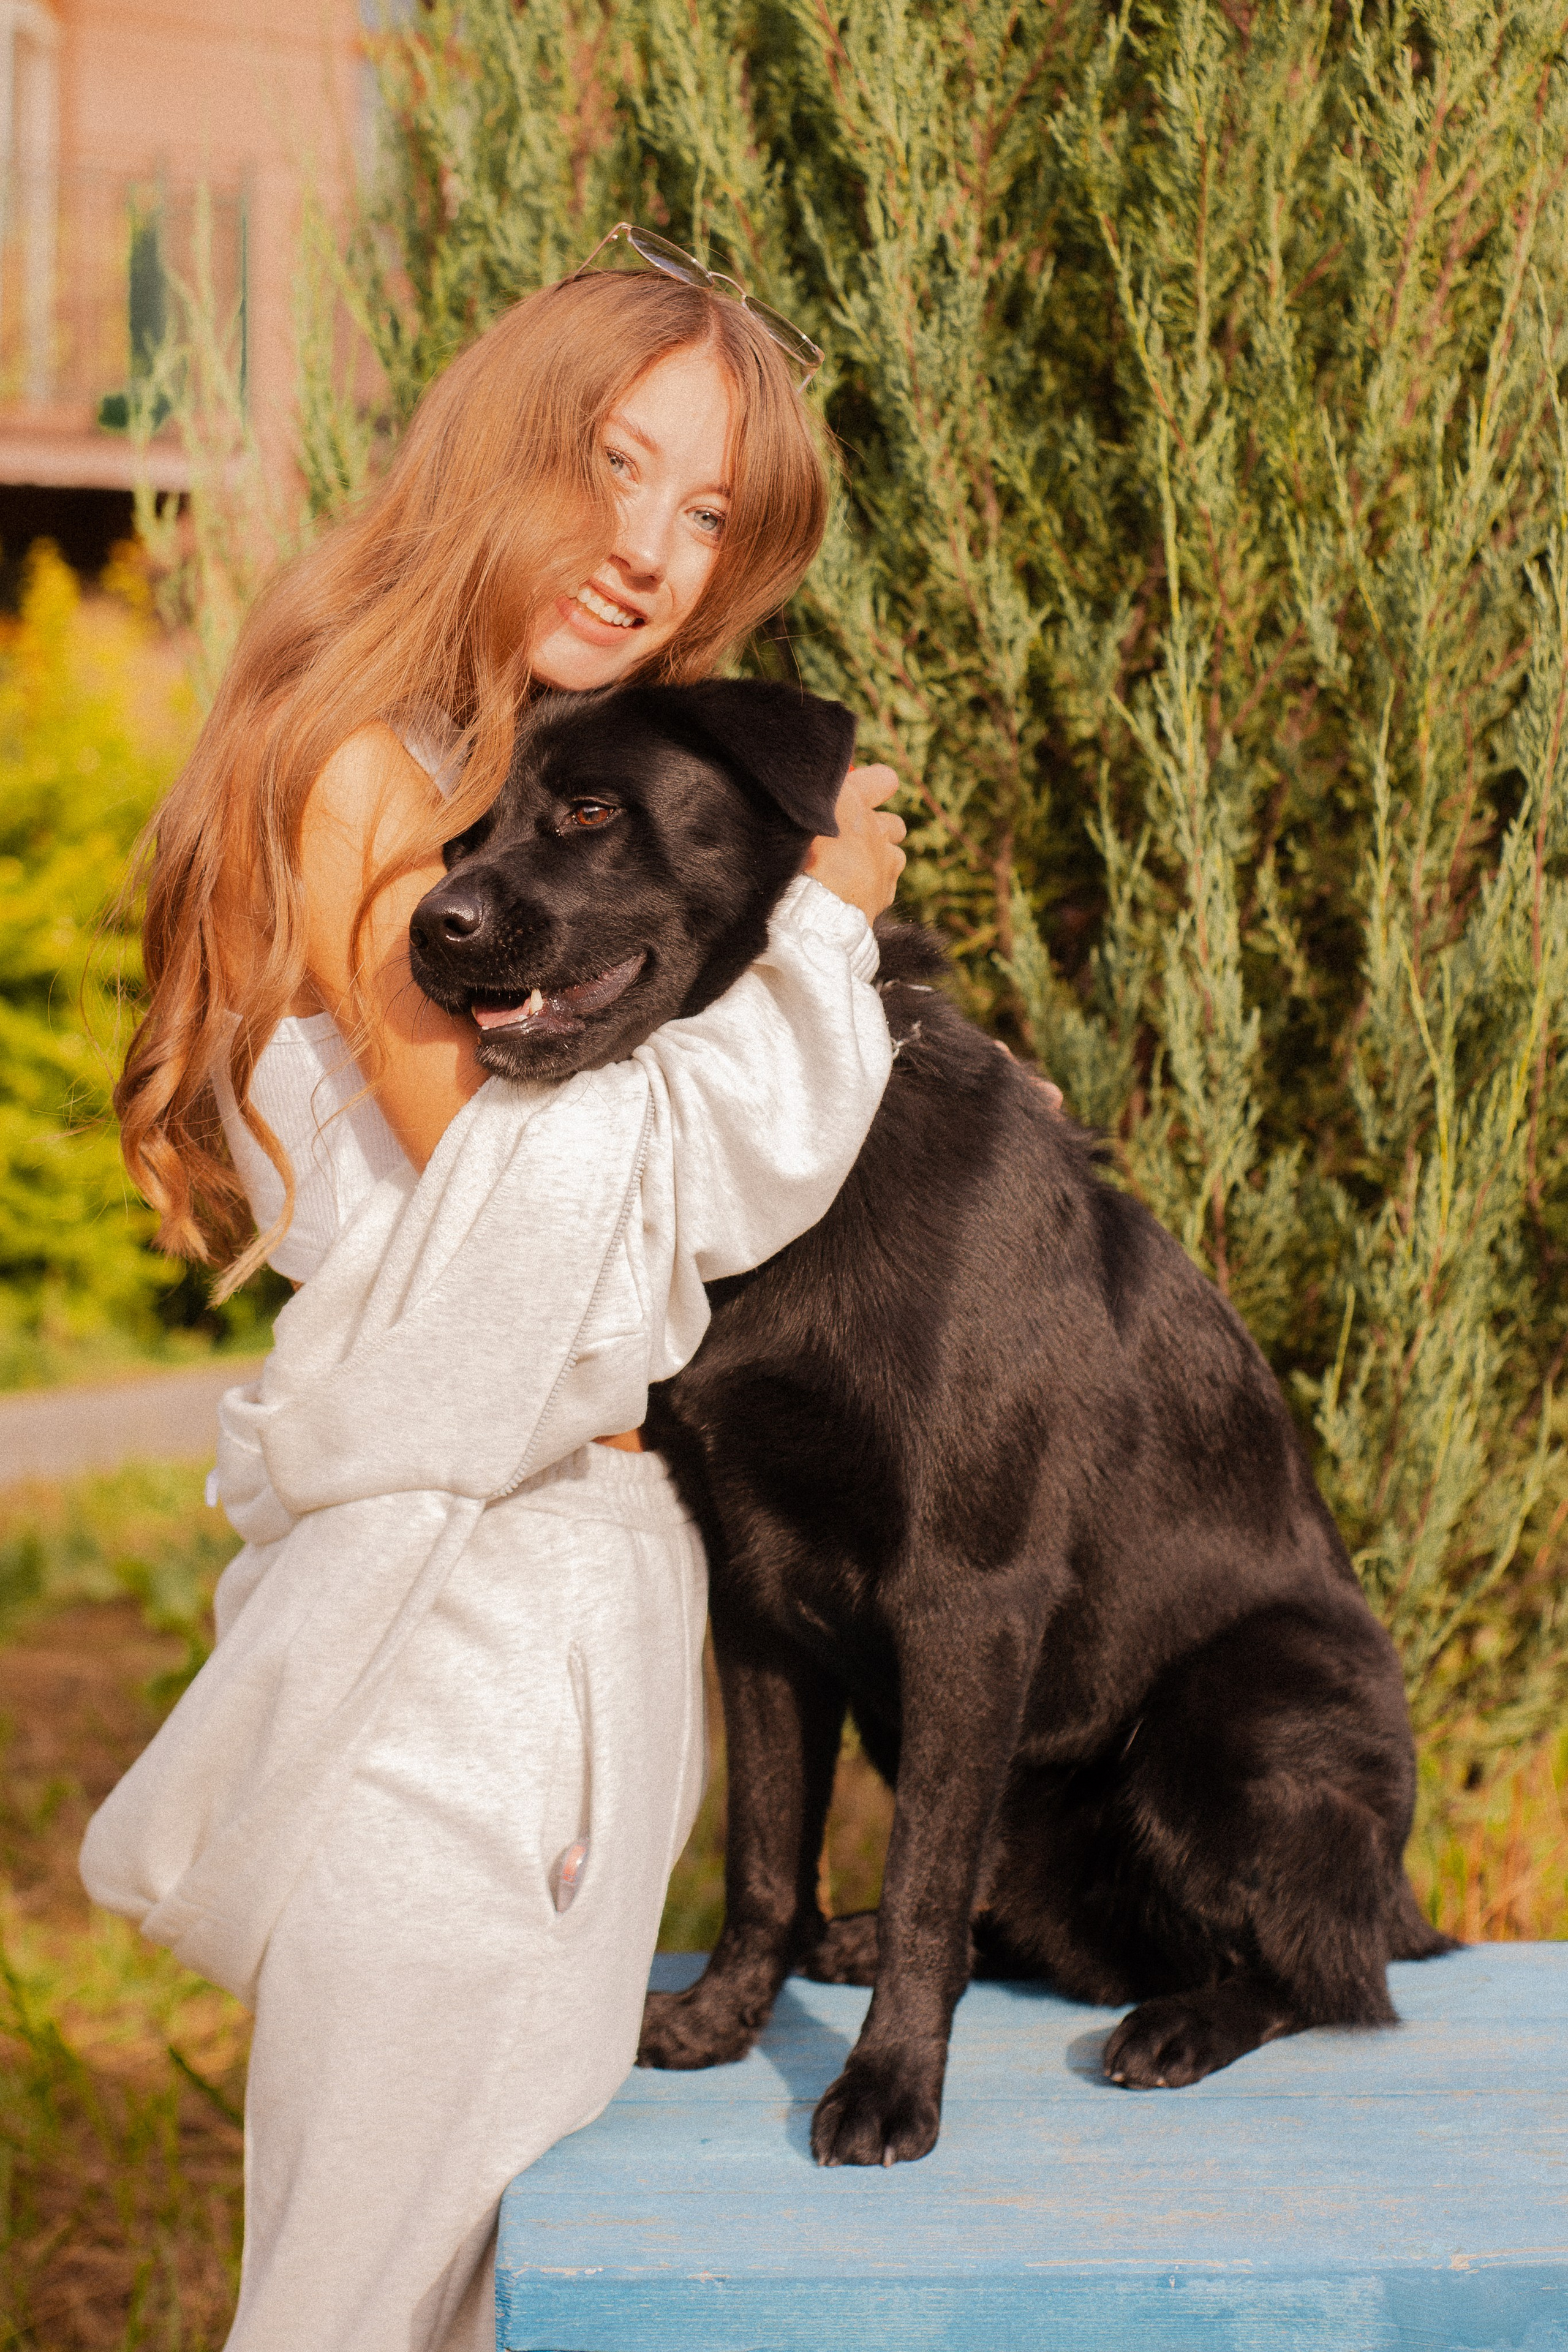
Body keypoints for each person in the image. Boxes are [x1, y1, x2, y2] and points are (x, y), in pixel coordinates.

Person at [83, 246, 908, 2351]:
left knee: (456, 2295)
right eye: (611, 468)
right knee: (371, 2304)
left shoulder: (505, 798)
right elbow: (545, 1224)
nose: (648, 552)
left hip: (543, 1644)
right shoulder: (380, 782)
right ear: (496, 453)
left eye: (708, 511)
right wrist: (826, 952)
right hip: (461, 1669)